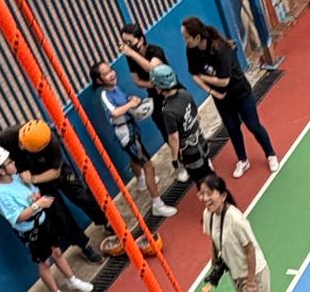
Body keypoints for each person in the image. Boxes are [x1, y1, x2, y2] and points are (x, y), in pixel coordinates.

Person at [0, 143, 93, 292]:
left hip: (43, 221)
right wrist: (37, 205)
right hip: (31, 231)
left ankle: (72, 279)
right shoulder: (1, 193)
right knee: (44, 262)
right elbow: (17, 218)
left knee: (57, 251)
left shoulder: (17, 178)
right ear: (1, 171)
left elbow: (34, 192)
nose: (13, 163)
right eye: (9, 162)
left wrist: (35, 197)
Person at [198, 174, 296, 292]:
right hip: (236, 273)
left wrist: (251, 281)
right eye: (202, 194)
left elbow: (250, 249)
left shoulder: (236, 220)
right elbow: (213, 239)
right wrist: (214, 264)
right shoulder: (208, 215)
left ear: (223, 195)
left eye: (209, 193)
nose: (205, 198)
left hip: (253, 272)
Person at [181, 16, 279, 177]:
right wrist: (212, 92)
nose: (185, 41)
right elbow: (193, 75)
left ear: (197, 37)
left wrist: (204, 77)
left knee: (253, 125)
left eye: (186, 37)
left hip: (240, 93)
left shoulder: (219, 49)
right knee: (232, 128)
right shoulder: (191, 50)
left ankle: (270, 154)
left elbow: (224, 81)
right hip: (221, 97)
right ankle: (243, 160)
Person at [0, 119, 106, 263]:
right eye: (20, 143)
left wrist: (33, 179)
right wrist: (21, 173)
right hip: (39, 185)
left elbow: (55, 172)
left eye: (25, 147)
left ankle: (105, 221)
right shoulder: (9, 137)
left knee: (81, 196)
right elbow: (5, 162)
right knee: (59, 214)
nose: (21, 147)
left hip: (54, 173)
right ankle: (84, 245)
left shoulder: (51, 142)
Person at [91, 60, 175, 218]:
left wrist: (131, 99)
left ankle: (141, 181)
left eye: (110, 70)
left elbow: (124, 101)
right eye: (106, 73)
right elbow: (114, 112)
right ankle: (158, 204)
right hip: (126, 134)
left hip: (132, 129)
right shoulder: (104, 95)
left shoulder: (115, 88)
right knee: (149, 166)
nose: (111, 74)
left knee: (134, 157)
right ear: (99, 80)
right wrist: (130, 105)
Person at [119, 22, 177, 175]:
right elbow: (137, 81)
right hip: (155, 96)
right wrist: (154, 84)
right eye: (124, 42)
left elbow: (153, 68)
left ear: (140, 39)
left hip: (172, 91)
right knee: (165, 130)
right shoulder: (131, 59)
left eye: (130, 42)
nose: (127, 46)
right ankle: (180, 161)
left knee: (182, 125)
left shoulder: (155, 51)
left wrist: (132, 54)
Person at [151, 63, 213, 184]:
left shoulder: (168, 111)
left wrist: (175, 159)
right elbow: (196, 115)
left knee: (203, 182)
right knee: (209, 172)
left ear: (160, 86)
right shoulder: (184, 93)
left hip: (190, 152)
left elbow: (173, 138)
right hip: (201, 141)